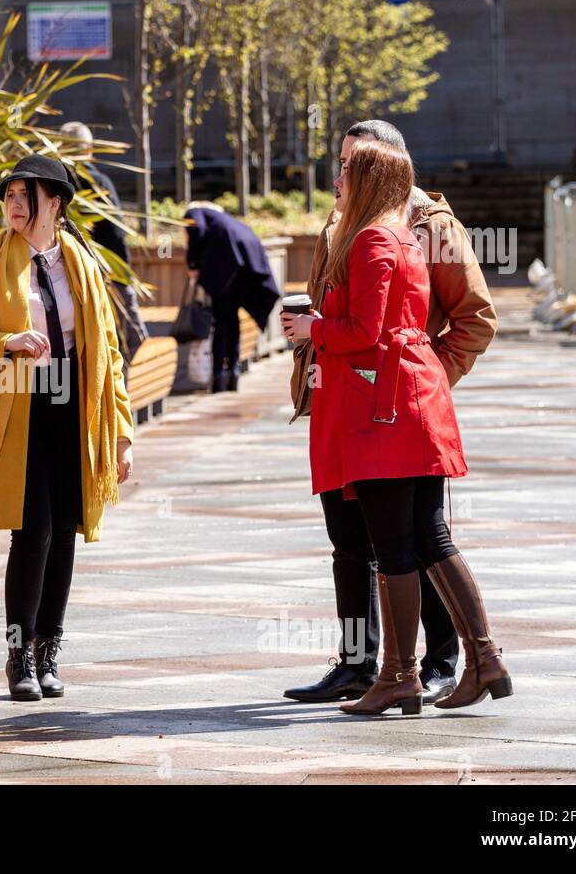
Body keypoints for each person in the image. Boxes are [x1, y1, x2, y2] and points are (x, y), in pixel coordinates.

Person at [280, 139, 511, 715]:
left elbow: (366, 329)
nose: (338, 178)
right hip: (407, 400)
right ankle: (480, 660)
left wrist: (314, 329)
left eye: (347, 169)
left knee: (396, 545)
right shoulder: (401, 234)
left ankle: (402, 674)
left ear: (371, 178)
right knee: (429, 536)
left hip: (383, 408)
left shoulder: (374, 237)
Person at [0, 153, 134, 701]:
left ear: (55, 202)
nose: (14, 206)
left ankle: (50, 651)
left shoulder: (82, 263)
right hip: (16, 408)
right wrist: (5, 343)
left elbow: (109, 354)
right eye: (8, 196)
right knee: (33, 532)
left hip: (75, 408)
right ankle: (18, 654)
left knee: (66, 528)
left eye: (25, 196)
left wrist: (121, 431)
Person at [59, 121, 149, 374]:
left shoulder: (54, 184)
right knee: (125, 338)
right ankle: (117, 399)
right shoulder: (99, 181)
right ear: (88, 149)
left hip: (67, 275)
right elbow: (116, 232)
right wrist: (124, 276)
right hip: (108, 274)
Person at [184, 202, 281, 392]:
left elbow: (197, 229)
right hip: (246, 263)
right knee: (231, 317)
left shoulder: (194, 211)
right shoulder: (223, 217)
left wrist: (193, 264)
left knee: (221, 318)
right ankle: (233, 371)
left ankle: (220, 373)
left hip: (227, 263)